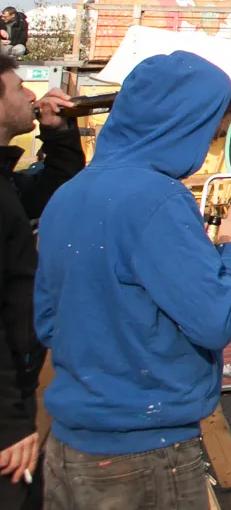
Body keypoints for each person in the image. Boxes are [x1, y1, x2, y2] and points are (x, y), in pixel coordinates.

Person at [35, 51, 231, 509]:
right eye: (209, 133)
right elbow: (216, 320)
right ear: (180, 126)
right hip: (144, 448)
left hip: (69, 446)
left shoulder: (66, 195)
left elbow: (45, 322)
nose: (204, 149)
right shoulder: (157, 199)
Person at [0, 65, 81, 504]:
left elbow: (55, 191)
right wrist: (9, 423)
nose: (31, 96)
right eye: (17, 88)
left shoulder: (6, 182)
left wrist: (57, 133)